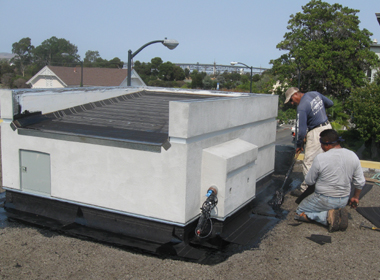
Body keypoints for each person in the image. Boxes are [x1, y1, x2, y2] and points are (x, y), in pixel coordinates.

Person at [295, 129, 365, 232]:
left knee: (299, 212)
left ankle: (327, 217)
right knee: (327, 205)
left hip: (324, 198)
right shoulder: (352, 155)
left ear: (327, 144)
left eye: (321, 144)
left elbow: (309, 181)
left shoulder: (321, 158)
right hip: (343, 200)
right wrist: (355, 197)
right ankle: (334, 212)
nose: (321, 147)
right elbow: (360, 182)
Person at [284, 87, 334, 197]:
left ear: (295, 95)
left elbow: (301, 131)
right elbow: (330, 103)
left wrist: (298, 144)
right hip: (328, 128)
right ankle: (325, 187)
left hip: (316, 133)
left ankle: (306, 190)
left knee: (309, 162)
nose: (292, 103)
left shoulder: (302, 107)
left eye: (291, 100)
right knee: (325, 160)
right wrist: (317, 112)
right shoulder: (314, 93)